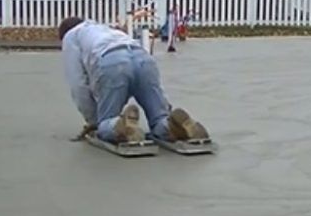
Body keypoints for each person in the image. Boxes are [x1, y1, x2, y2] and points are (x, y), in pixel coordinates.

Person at [59, 17, 209, 144]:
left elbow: (78, 85)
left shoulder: (71, 37)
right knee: (159, 118)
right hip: (143, 58)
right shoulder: (104, 30)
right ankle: (172, 126)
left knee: (105, 124)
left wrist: (93, 121)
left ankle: (119, 126)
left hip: (113, 62)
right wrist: (165, 106)